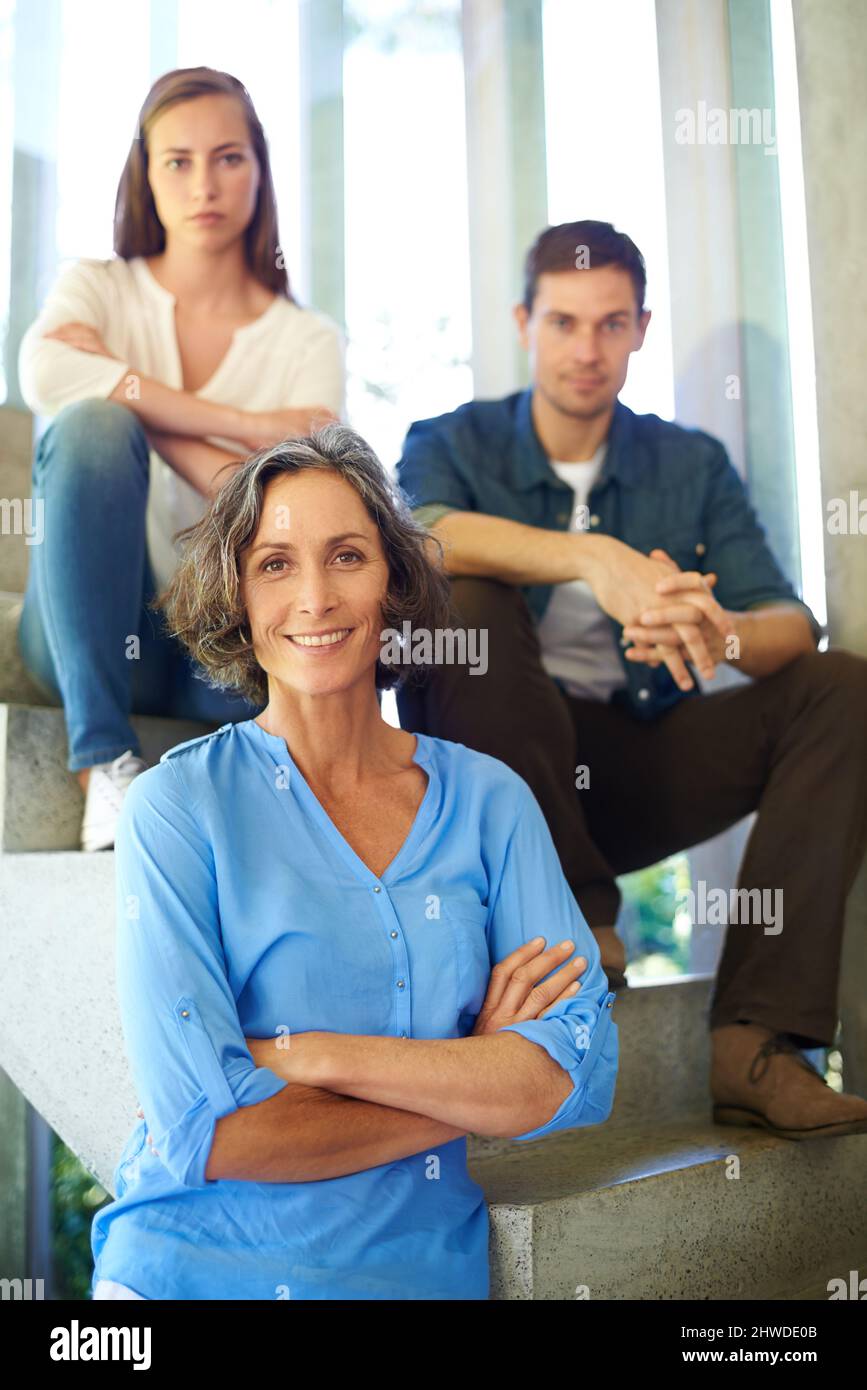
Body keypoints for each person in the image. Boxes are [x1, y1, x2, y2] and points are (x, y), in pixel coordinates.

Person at [88, 424, 618, 1300]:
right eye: (274, 564)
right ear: (238, 598)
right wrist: (468, 1072)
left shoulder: (491, 802)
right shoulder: (175, 809)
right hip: (181, 1274)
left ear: (393, 583)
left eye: (346, 556)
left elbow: (569, 1074)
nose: (314, 598)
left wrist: (312, 1056)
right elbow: (213, 1135)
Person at [394, 219, 867, 1141]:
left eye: (611, 324)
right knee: (471, 605)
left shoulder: (686, 463)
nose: (587, 349)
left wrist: (719, 632)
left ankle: (756, 1044)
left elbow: (789, 622)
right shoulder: (450, 439)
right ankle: (578, 918)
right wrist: (590, 559)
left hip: (625, 765)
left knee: (841, 687)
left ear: (641, 328)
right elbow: (418, 537)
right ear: (524, 321)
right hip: (492, 783)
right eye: (565, 322)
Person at [16, 66, 344, 851]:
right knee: (94, 427)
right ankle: (102, 762)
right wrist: (240, 425)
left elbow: (304, 509)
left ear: (259, 170)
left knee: (114, 410)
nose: (205, 184)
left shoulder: (307, 342)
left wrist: (148, 412)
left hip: (220, 652)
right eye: (178, 161)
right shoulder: (99, 288)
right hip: (80, 633)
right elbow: (45, 373)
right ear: (146, 173)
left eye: (228, 157)